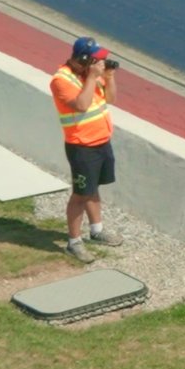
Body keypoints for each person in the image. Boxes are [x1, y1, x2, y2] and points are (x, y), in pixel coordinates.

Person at [51, 37, 124, 263]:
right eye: (97, 60)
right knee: (80, 194)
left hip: (101, 142)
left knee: (93, 188)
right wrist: (93, 77)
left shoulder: (91, 76)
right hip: (82, 146)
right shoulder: (61, 80)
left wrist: (108, 77)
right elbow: (81, 105)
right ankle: (74, 242)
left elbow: (110, 99)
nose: (101, 64)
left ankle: (96, 230)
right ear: (84, 59)